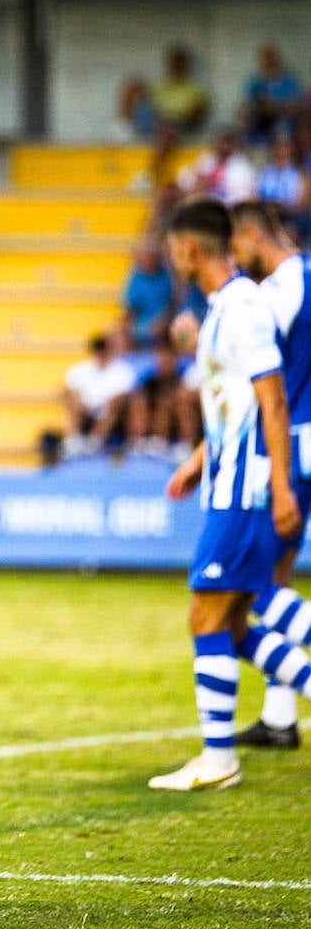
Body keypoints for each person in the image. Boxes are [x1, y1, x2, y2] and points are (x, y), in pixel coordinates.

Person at [151, 198, 307, 791]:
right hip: (228, 478)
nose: (171, 258)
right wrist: (198, 459)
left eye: (173, 248)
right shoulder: (222, 308)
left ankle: (218, 759)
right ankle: (219, 756)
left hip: (248, 487)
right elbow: (233, 406)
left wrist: (282, 484)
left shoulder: (243, 308)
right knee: (236, 623)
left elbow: (273, 400)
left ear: (191, 248)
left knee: (207, 611)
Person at [228, 200, 311, 749]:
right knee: (273, 577)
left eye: (236, 246)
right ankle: (280, 715)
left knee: (258, 581)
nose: (235, 258)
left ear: (255, 235)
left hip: (295, 447)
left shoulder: (279, 292)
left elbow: (258, 374)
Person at [61, 329, 137, 459]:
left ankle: (94, 443)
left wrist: (105, 405)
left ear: (109, 349)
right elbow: (68, 390)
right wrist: (80, 402)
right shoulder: (80, 369)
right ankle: (73, 442)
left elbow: (124, 395)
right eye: (98, 348)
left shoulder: (121, 370)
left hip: (111, 413)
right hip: (85, 410)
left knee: (113, 408)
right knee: (71, 401)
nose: (100, 352)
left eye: (103, 348)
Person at [152, 44, 209, 137]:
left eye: (180, 62)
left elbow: (193, 114)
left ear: (186, 65)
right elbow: (153, 111)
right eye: (173, 63)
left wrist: (171, 117)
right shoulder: (158, 87)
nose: (176, 66)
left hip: (184, 129)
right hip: (159, 127)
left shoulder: (195, 89)